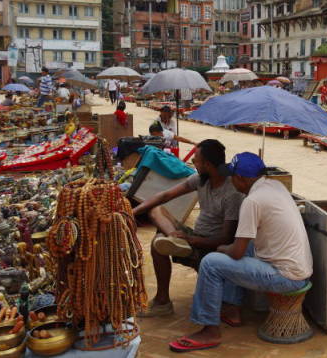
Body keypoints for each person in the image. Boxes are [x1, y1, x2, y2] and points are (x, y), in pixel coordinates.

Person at [169, 152, 312, 352]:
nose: (230, 182)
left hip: (286, 277)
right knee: (245, 245)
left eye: (231, 177)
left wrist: (220, 248)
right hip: (299, 269)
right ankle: (232, 308)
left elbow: (236, 253)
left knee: (211, 262)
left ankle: (209, 331)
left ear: (240, 179)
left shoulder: (252, 201)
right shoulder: (275, 186)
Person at [132, 139, 244, 318]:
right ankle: (174, 239)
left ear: (207, 164)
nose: (193, 164)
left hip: (211, 246)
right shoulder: (201, 179)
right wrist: (132, 212)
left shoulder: (231, 193)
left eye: (195, 161)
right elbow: (165, 195)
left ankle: (163, 301)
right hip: (193, 236)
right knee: (156, 210)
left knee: (156, 243)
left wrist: (193, 240)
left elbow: (226, 238)